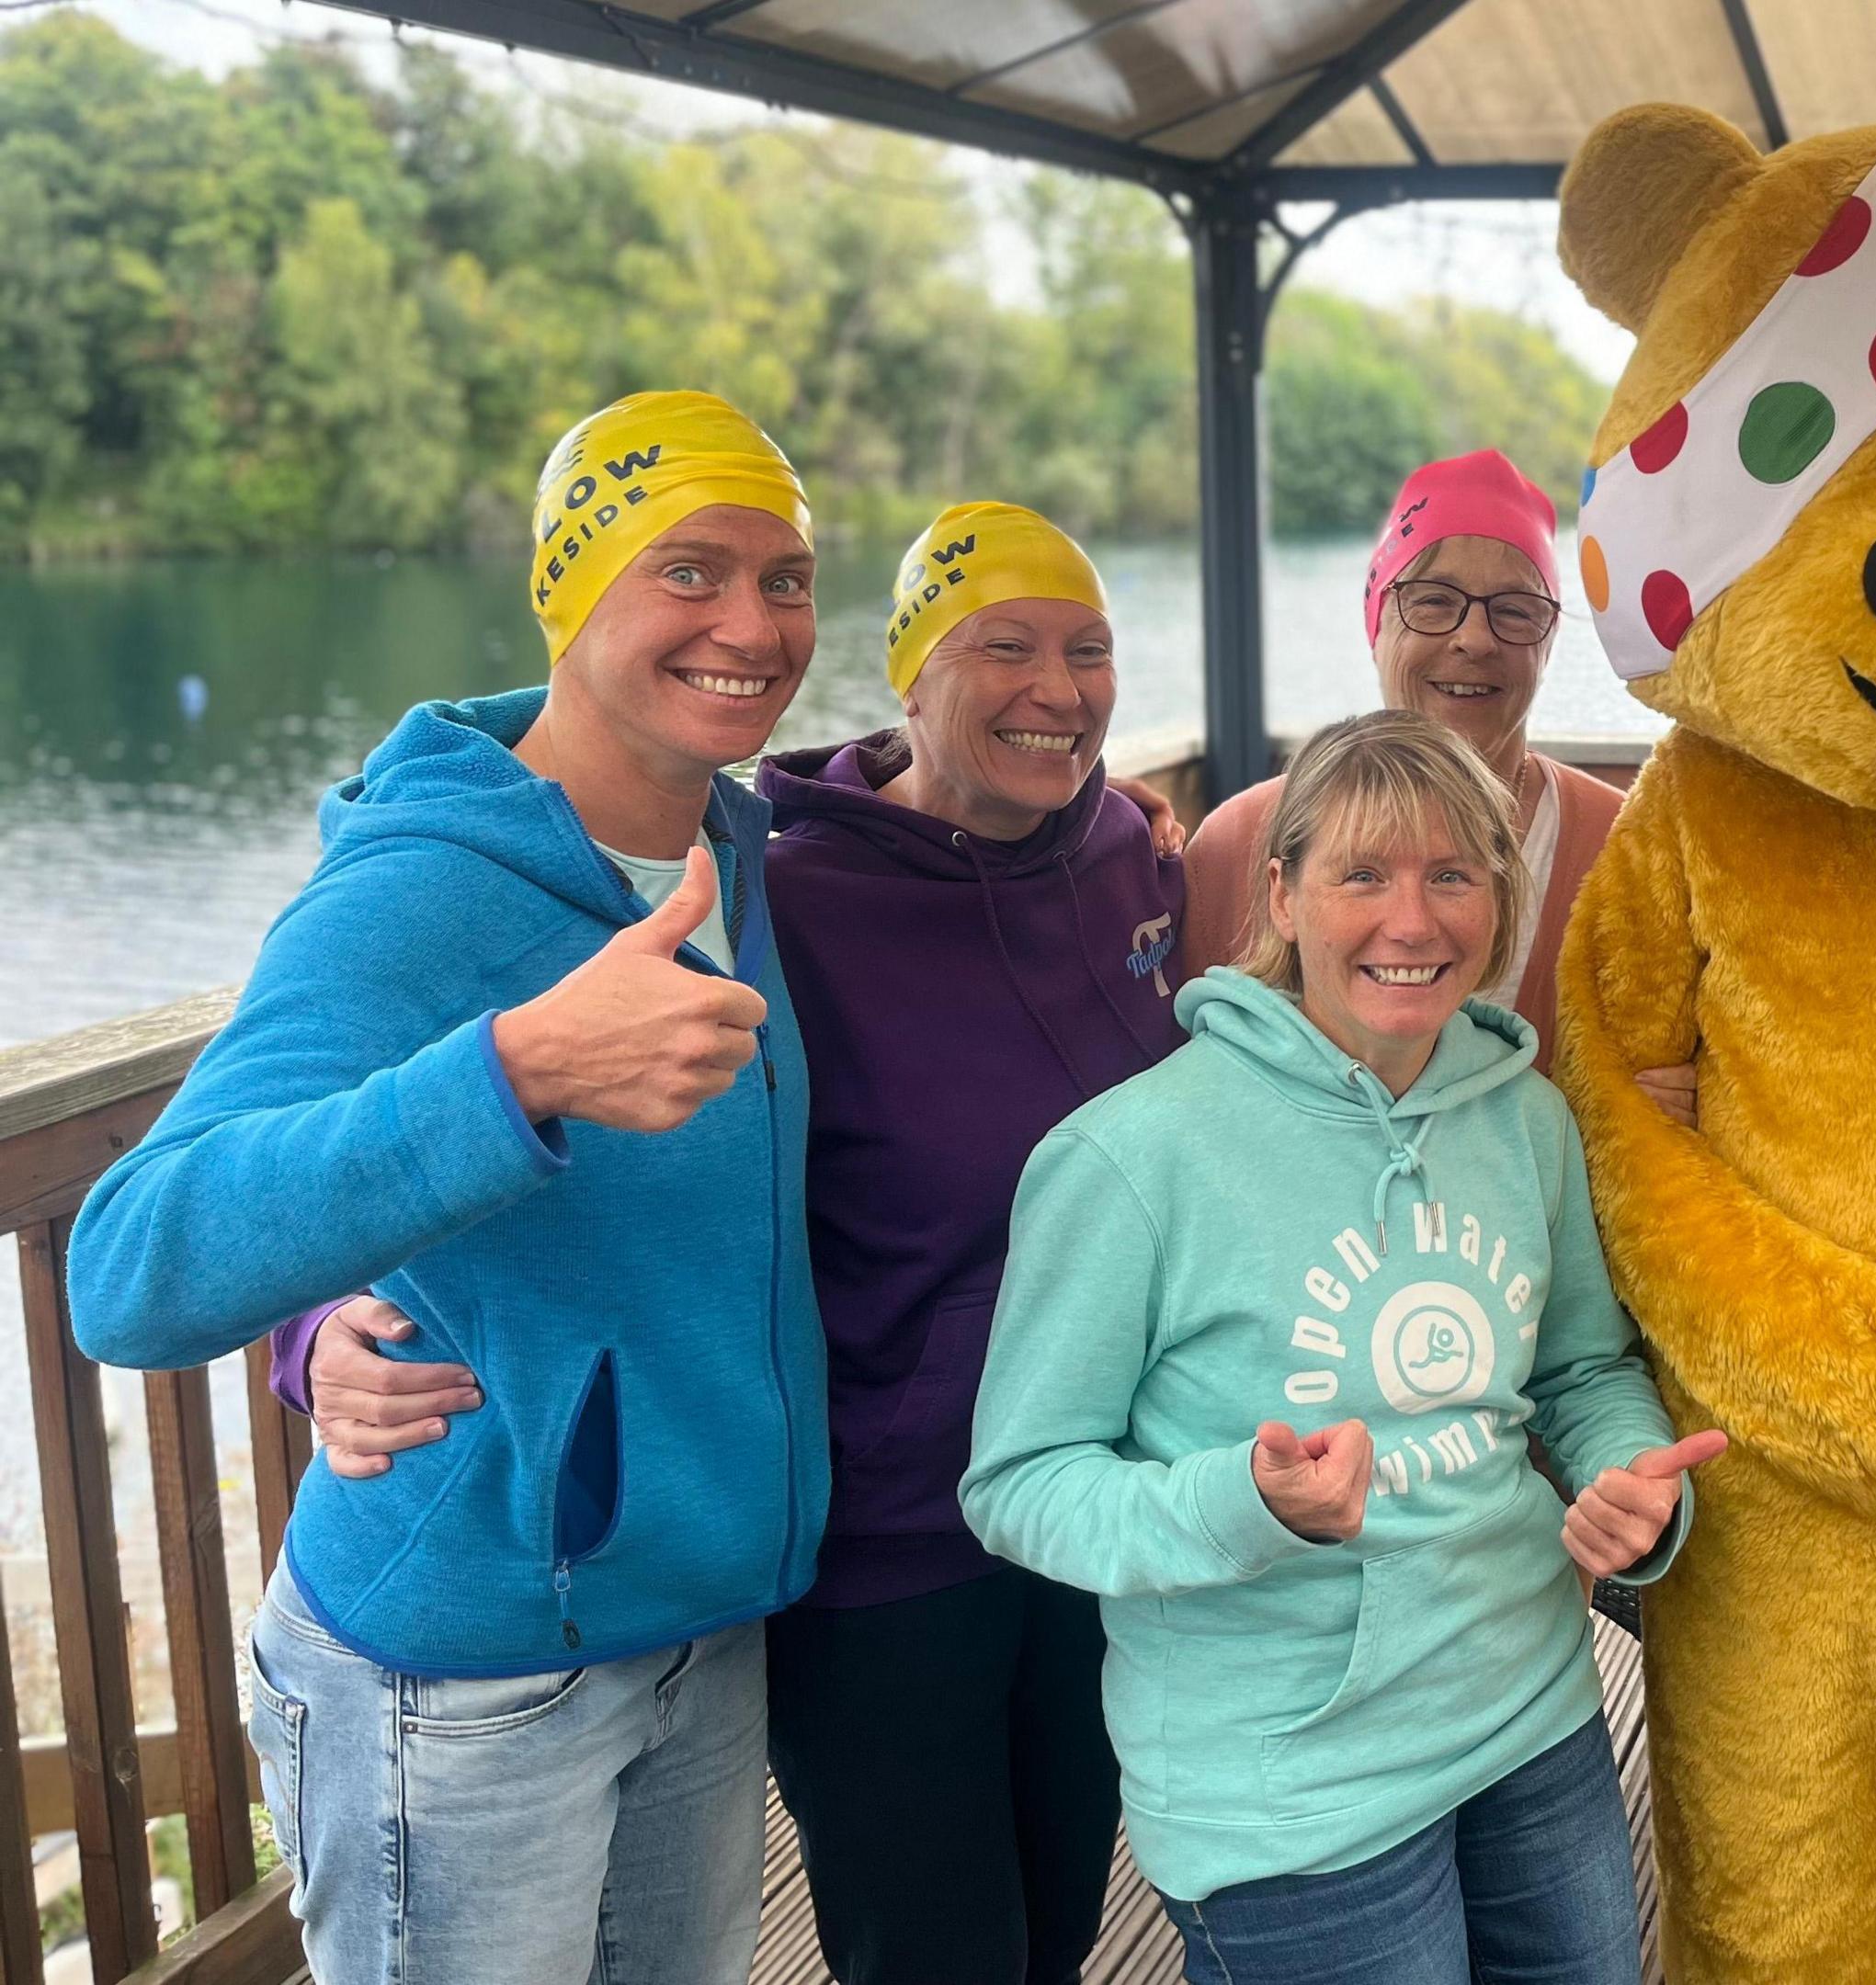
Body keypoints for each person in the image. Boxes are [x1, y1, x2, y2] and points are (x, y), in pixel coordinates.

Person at [267, 501, 1190, 1980]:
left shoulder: (1132, 862)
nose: (1059, 688)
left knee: (1063, 1917)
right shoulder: (780, 893)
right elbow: (360, 1107)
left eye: (1088, 650)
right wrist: (312, 1332)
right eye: (1004, 646)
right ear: (909, 671)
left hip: (1092, 1509)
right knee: (934, 1950)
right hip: (887, 1538)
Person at [65, 390, 829, 1984]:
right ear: (571, 591)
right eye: (688, 571)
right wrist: (518, 1072)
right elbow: (133, 1264)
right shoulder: (417, 891)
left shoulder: (738, 850)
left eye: (787, 575)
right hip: (465, 1675)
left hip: (692, 1628)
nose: (751, 624)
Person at [963, 709, 1722, 1984]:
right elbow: (1019, 1487)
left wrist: (1633, 1480)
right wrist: (1246, 1503)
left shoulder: (1527, 1119)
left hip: (1530, 1714)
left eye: (1452, 876)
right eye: (1362, 875)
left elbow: (1583, 1374)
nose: (1411, 924)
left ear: (1502, 900)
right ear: (1283, 894)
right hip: (1285, 1780)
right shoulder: (1128, 1158)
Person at [1180, 450, 1620, 1069]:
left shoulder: (1619, 848)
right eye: (1433, 601)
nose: (1474, 638)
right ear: (1376, 622)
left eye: (1516, 610)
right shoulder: (1237, 844)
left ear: (1548, 642)